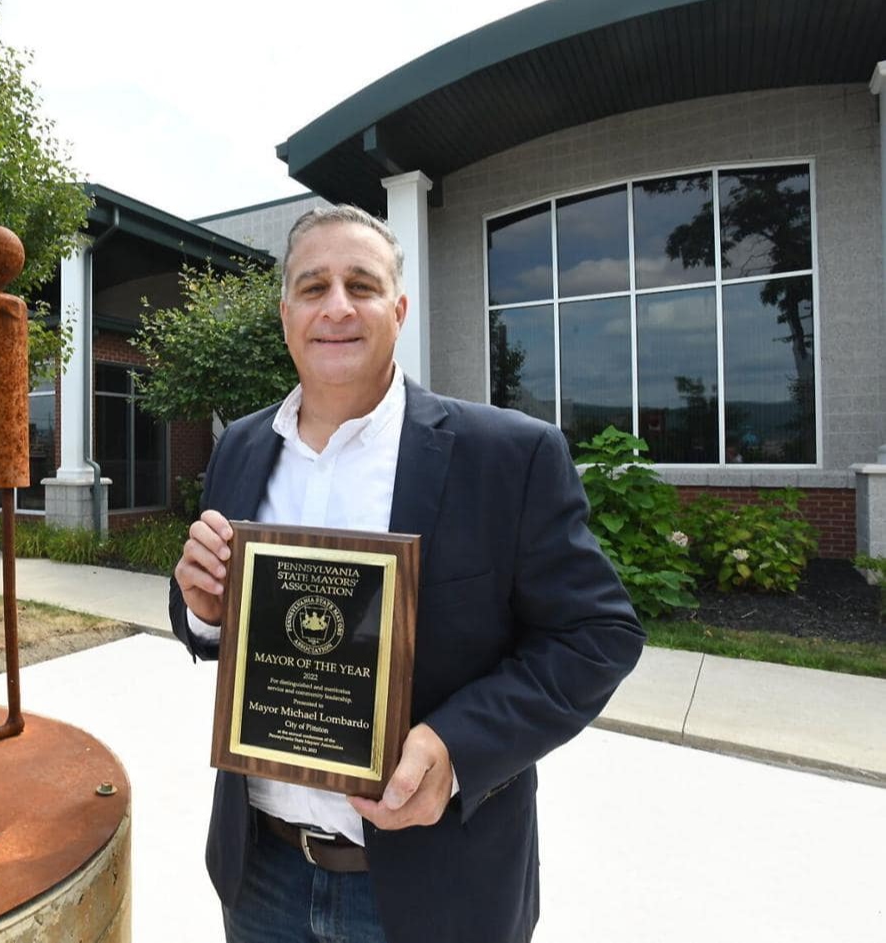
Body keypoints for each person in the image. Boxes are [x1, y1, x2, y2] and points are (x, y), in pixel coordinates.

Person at [170, 205, 645, 943]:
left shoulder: (506, 456)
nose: (336, 306)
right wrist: (202, 608)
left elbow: (597, 635)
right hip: (262, 873)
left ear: (397, 308)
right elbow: (208, 611)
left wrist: (456, 748)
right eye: (312, 286)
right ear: (285, 311)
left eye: (361, 285)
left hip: (436, 893)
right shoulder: (239, 448)